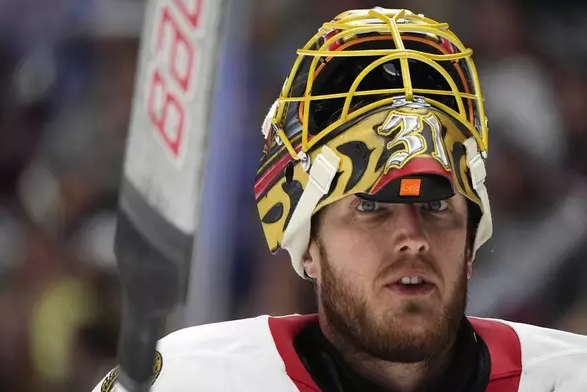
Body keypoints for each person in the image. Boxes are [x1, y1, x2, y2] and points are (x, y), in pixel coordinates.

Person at [93, 7, 587, 392]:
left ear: (472, 238)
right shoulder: (191, 381)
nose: (412, 238)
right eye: (371, 207)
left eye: (437, 206)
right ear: (307, 243)